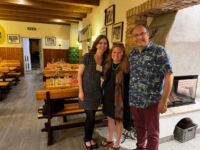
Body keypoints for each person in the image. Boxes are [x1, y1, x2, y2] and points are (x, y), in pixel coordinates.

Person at [129, 25, 174, 150]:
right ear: (133, 38)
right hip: (135, 100)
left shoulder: (159, 51)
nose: (139, 37)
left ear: (148, 34)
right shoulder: (132, 54)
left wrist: (164, 101)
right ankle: (140, 148)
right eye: (136, 35)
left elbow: (169, 76)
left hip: (151, 102)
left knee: (152, 134)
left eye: (142, 34)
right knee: (139, 128)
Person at [78, 35, 109, 150]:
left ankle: (90, 138)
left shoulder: (105, 60)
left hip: (97, 93)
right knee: (90, 117)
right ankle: (87, 139)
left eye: (105, 43)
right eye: (100, 43)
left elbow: (103, 75)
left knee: (92, 116)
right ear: (96, 44)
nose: (102, 45)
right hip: (86, 92)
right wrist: (81, 91)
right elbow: (79, 74)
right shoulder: (87, 57)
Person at [101, 43, 129, 150]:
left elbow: (127, 87)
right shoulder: (108, 65)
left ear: (123, 54)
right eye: (114, 52)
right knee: (110, 119)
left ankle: (117, 143)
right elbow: (105, 80)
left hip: (119, 100)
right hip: (107, 97)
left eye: (119, 52)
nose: (116, 55)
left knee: (119, 121)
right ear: (111, 53)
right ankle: (109, 138)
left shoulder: (125, 68)